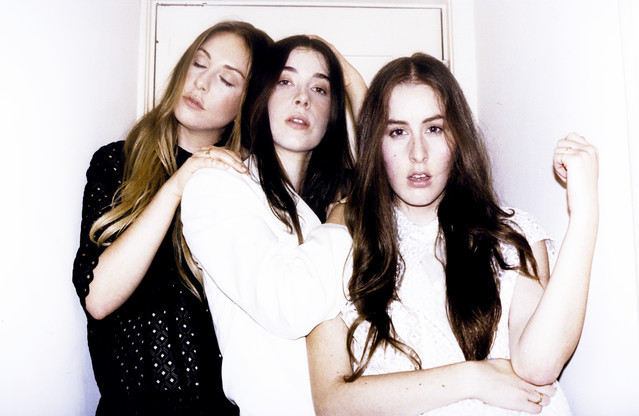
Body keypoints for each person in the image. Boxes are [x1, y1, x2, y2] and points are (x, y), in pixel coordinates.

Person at [306, 53, 598, 415]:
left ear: (457, 137)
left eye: (434, 129)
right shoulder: (340, 248)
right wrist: (472, 378)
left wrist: (584, 213)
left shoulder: (510, 235)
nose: (418, 154)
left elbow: (540, 366)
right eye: (397, 132)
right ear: (375, 146)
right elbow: (332, 402)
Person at [72, 21, 271, 415]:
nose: (201, 83)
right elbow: (98, 298)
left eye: (226, 80)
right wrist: (176, 186)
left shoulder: (248, 186)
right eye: (199, 63)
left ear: (248, 103)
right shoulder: (116, 163)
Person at [180, 35, 359, 415]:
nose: (302, 98)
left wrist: (351, 80)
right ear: (261, 95)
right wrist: (339, 224)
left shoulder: (332, 202)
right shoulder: (218, 186)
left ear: (332, 113)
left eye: (320, 88)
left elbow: (386, 158)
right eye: (285, 81)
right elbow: (287, 306)